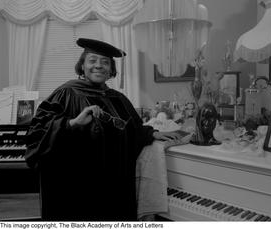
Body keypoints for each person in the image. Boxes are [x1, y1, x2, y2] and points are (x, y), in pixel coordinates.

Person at [25, 38, 180, 221]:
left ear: (111, 70)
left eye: (105, 62)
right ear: (82, 66)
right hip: (76, 190)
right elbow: (37, 133)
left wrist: (152, 133)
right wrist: (72, 123)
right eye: (92, 60)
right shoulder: (66, 93)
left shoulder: (118, 98)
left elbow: (133, 130)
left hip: (114, 188)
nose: (98, 66)